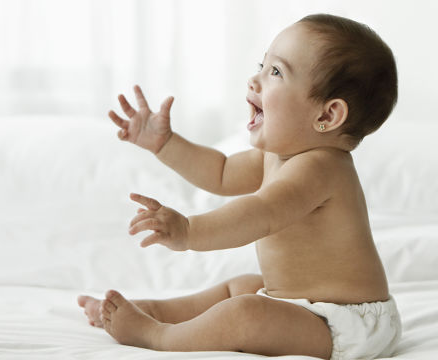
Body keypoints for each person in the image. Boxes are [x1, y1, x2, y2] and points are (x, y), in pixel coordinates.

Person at [78, 14, 401, 360]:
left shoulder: (322, 168)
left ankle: (155, 334)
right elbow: (220, 172)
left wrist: (189, 230)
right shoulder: (277, 157)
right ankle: (154, 309)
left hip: (347, 324)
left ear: (327, 116)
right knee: (242, 287)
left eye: (275, 72)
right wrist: (165, 144)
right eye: (262, 65)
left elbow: (260, 213)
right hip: (301, 307)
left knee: (246, 313)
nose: (254, 79)